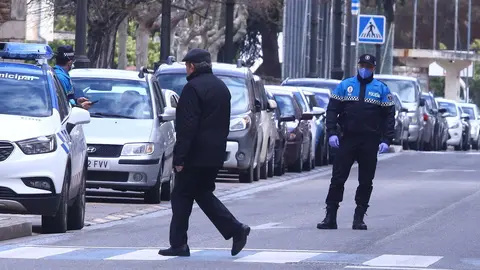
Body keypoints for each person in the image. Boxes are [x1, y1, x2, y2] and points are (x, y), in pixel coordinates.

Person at [158, 48, 250, 257]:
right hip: (214, 154)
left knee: (181, 195)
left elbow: (187, 127)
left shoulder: (192, 88)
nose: (185, 70)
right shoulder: (221, 88)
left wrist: (180, 157)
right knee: (202, 193)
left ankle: (180, 244)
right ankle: (235, 229)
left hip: (194, 155)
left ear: (191, 66)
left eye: (186, 66)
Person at [316, 54, 395, 231]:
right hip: (347, 139)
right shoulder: (345, 86)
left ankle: (359, 217)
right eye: (362, 65)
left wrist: (387, 139)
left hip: (370, 140)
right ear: (357, 66)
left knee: (366, 181)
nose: (364, 69)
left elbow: (389, 116)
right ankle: (330, 216)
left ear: (374, 68)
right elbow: (332, 110)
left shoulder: (381, 89)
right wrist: (332, 133)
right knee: (337, 178)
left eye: (368, 66)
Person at [54, 45, 91, 110]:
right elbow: (61, 104)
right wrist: (81, 107)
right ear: (70, 62)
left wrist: (77, 101)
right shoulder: (61, 77)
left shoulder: (60, 74)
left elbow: (67, 98)